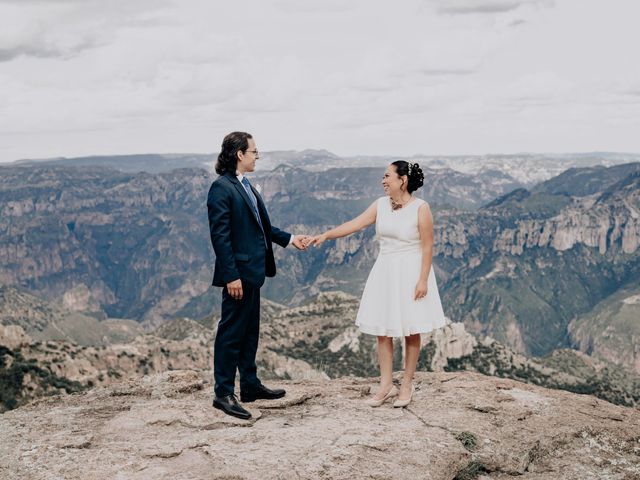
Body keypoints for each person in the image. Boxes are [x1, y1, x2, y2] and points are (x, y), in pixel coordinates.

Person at [307, 161, 446, 408]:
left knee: (411, 330)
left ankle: (406, 383)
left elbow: (427, 246)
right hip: (386, 271)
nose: (383, 181)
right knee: (384, 330)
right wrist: (327, 235)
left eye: (387, 176)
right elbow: (355, 223)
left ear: (402, 180)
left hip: (411, 271)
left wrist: (423, 279)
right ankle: (385, 384)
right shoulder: (380, 205)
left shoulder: (421, 208)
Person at [207, 131, 310, 420]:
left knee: (250, 329)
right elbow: (220, 237)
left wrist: (290, 239)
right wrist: (231, 276)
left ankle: (249, 385)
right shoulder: (221, 188)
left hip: (253, 272)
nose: (257, 156)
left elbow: (262, 227)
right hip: (238, 274)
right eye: (254, 151)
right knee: (231, 332)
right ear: (239, 154)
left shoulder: (246, 185)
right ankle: (223, 392)